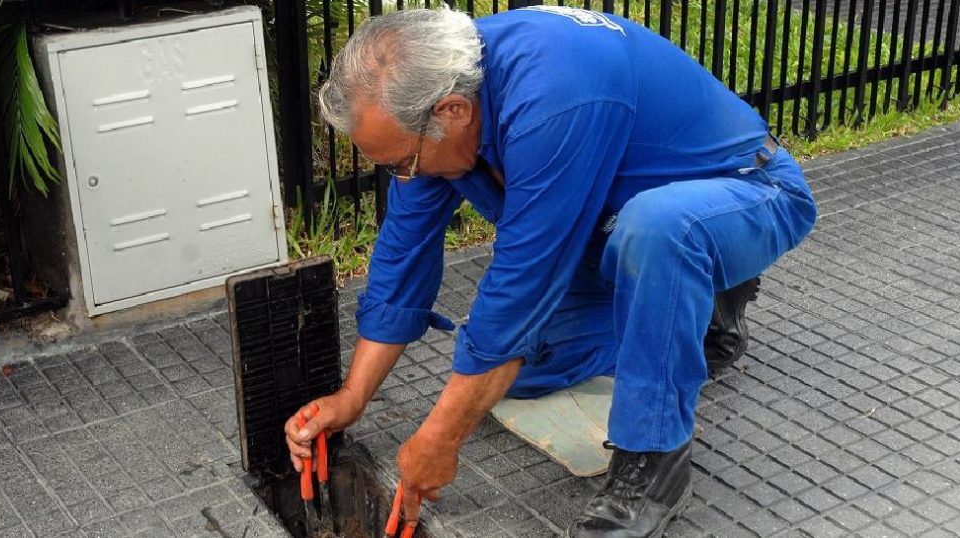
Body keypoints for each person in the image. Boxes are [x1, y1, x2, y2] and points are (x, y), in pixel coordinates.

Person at [284, 6, 817, 537]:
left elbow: (523, 283)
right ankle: (696, 312)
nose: (403, 175)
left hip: (747, 193)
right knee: (519, 372)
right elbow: (403, 255)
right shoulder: (437, 92)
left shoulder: (553, 96)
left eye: (402, 162)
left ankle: (653, 466)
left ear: (451, 111)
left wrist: (440, 441)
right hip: (606, 230)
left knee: (659, 231)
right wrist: (351, 398)